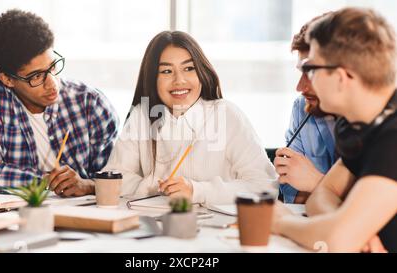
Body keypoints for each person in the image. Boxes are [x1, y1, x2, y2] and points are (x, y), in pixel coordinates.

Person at [272, 7, 397, 252]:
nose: (302, 84)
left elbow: (337, 241)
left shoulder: (392, 137)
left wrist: (280, 222)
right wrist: (350, 229)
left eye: (311, 70)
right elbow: (322, 195)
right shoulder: (357, 125)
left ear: (341, 78)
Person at [104, 31, 277, 205]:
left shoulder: (226, 114)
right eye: (166, 71)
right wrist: (160, 187)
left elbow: (265, 187)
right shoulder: (141, 115)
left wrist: (197, 191)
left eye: (189, 68)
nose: (179, 80)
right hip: (156, 223)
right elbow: (113, 178)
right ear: (152, 79)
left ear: (201, 71)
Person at [0, 9, 119, 196]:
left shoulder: (92, 104)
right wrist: (47, 181)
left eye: (53, 67)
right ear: (7, 80)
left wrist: (87, 185)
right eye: (37, 76)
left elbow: (116, 181)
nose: (52, 83)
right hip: (18, 218)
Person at [275, 14, 337, 204]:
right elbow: (293, 191)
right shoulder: (303, 107)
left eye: (311, 73)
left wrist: (316, 183)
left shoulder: (381, 126)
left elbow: (369, 209)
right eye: (302, 72)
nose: (300, 88)